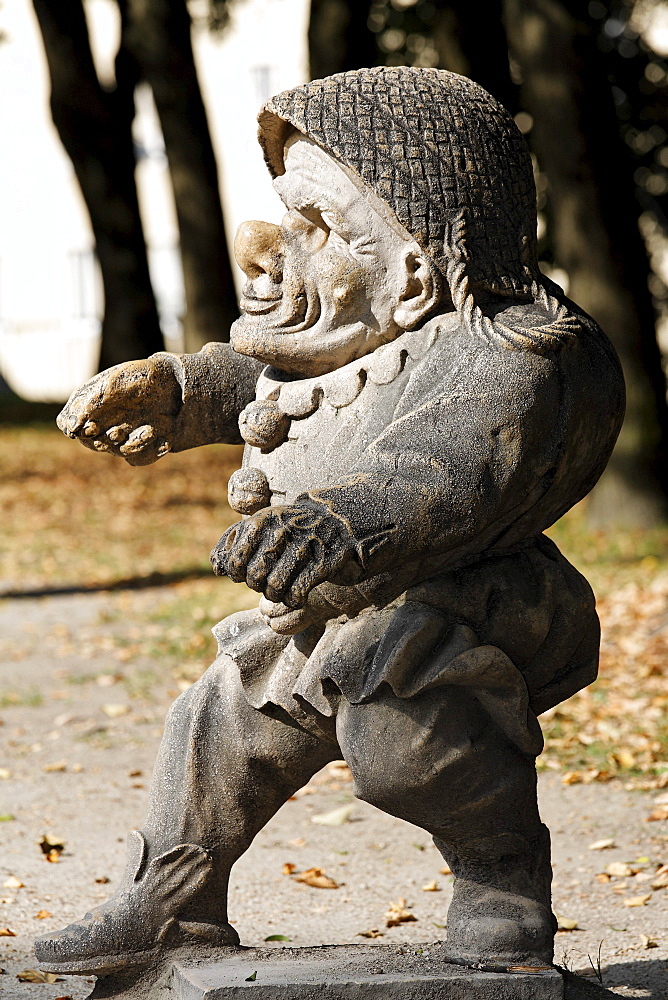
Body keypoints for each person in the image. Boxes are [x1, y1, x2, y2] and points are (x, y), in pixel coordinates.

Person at [36, 66, 624, 978]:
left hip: (456, 612)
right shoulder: (367, 334)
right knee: (220, 720)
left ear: (417, 273)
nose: (265, 247)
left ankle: (501, 874)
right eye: (283, 210)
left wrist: (338, 520)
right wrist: (182, 390)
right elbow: (276, 388)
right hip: (331, 609)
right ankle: (172, 898)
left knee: (404, 744)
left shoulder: (507, 359)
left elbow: (445, 465)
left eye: (318, 228)